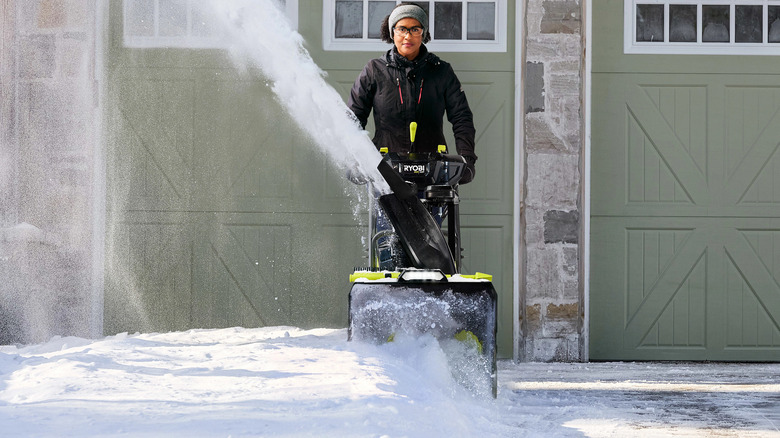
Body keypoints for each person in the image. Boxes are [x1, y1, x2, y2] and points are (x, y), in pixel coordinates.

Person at [347, 2, 477, 184]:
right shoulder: (374, 70)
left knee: (433, 213)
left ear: (423, 33)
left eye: (415, 29)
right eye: (402, 29)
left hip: (434, 170)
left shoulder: (441, 71)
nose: (408, 36)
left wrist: (467, 159)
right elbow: (353, 118)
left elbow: (462, 118)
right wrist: (355, 159)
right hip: (386, 169)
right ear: (392, 32)